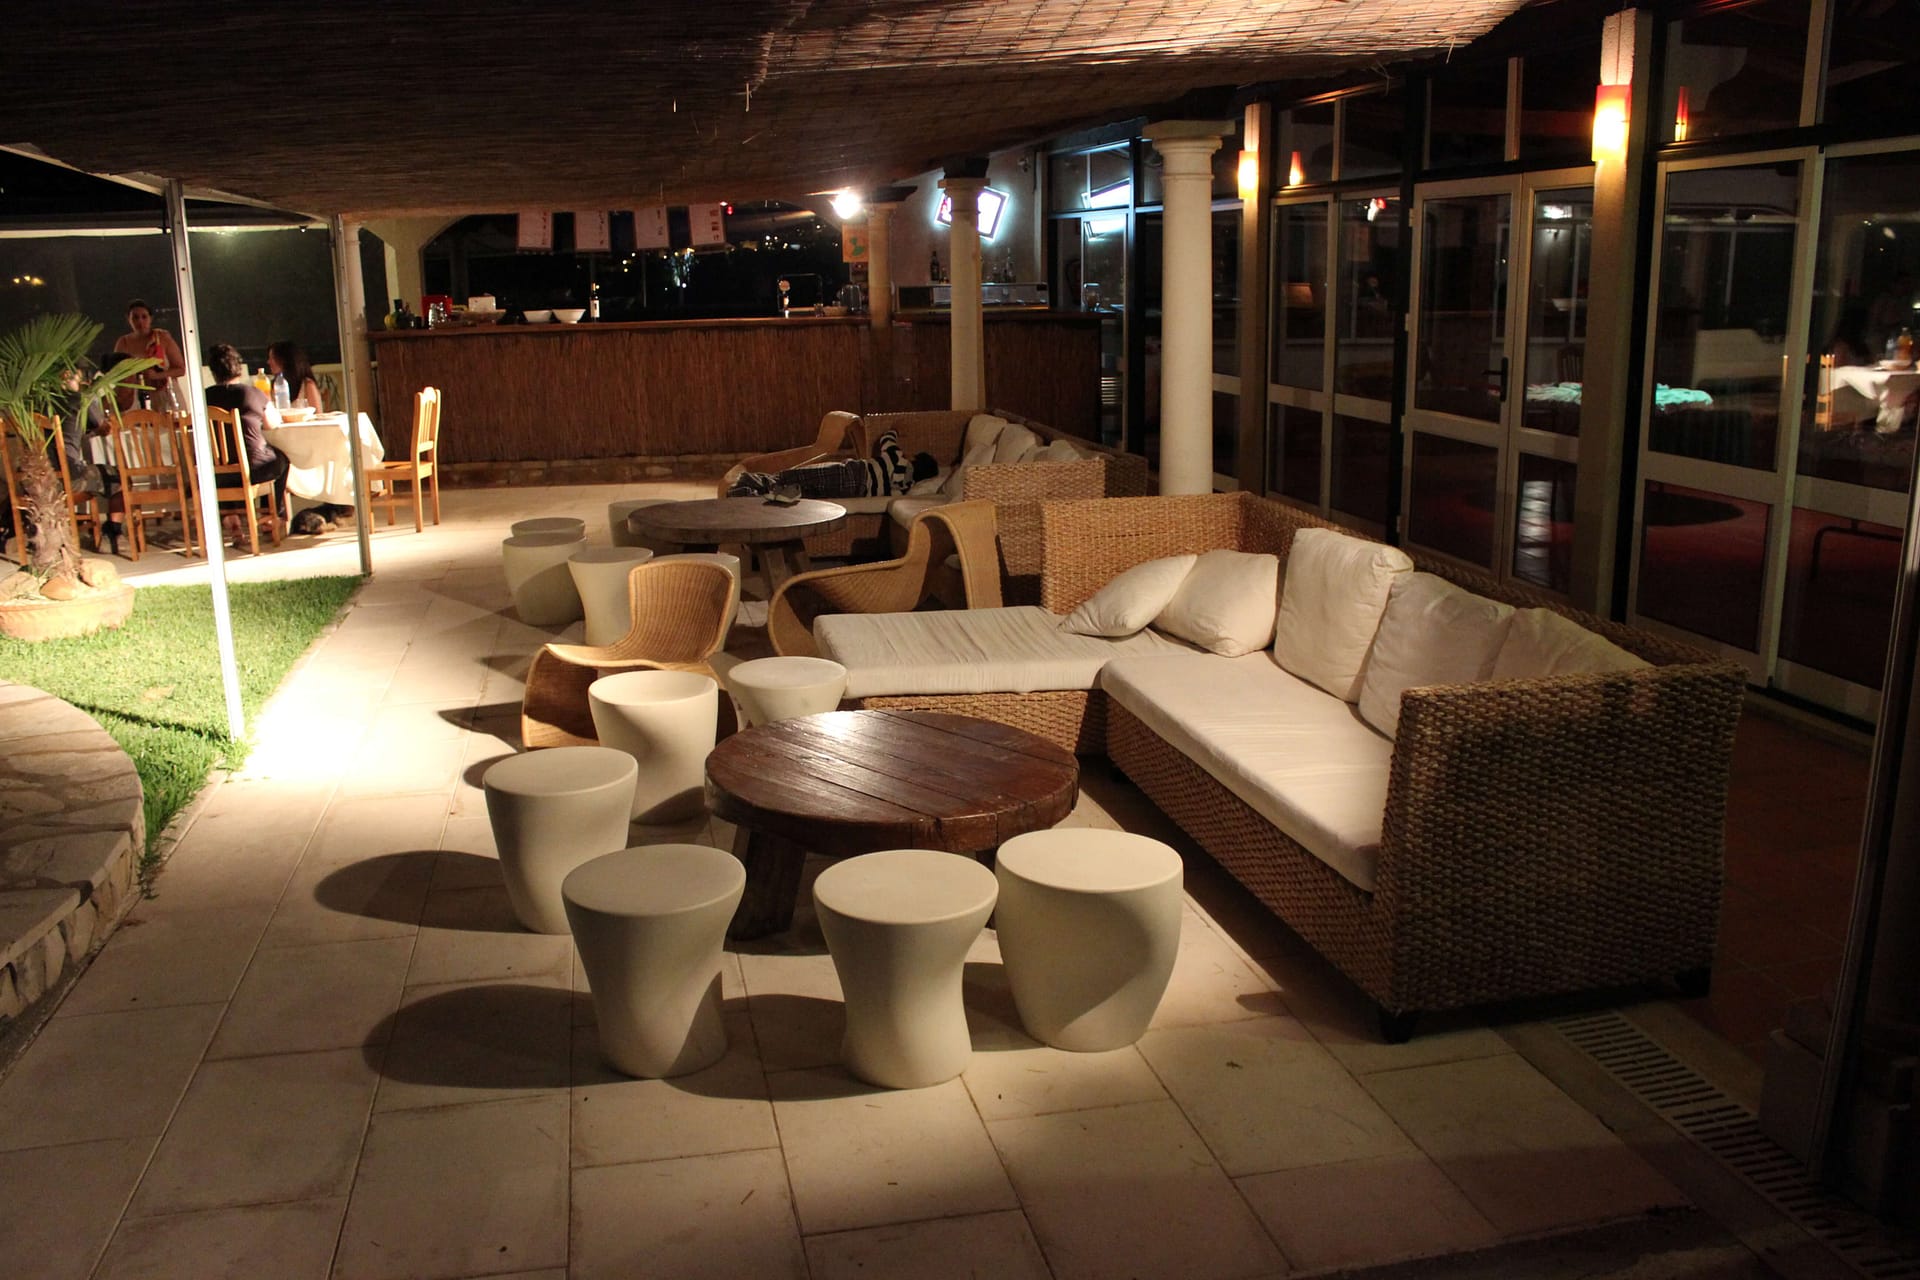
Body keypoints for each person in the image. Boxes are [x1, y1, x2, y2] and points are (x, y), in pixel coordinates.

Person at [203, 342, 290, 545]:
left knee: (226, 467)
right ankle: (271, 517)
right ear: (239, 369)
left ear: (213, 372)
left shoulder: (203, 397)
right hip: (254, 469)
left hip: (217, 474)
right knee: (282, 459)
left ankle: (232, 520)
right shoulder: (252, 393)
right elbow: (272, 424)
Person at [729, 429, 937, 499]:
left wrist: (895, 430)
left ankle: (744, 485)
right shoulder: (905, 488)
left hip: (851, 474)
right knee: (803, 491)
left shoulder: (897, 457)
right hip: (854, 492)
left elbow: (887, 438)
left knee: (791, 477)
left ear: (914, 459)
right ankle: (752, 496)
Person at [111, 299, 187, 408]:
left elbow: (180, 369)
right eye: (135, 317)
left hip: (165, 394)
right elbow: (117, 373)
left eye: (144, 317)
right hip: (137, 396)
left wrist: (157, 376)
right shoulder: (123, 342)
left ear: (150, 318)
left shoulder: (161, 337)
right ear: (129, 319)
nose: (140, 321)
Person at [265, 340, 326, 411]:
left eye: (272, 358)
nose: (268, 362)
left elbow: (318, 414)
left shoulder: (307, 385)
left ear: (285, 360)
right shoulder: (272, 385)